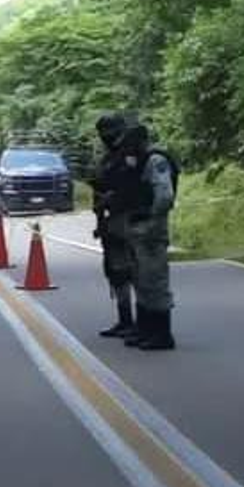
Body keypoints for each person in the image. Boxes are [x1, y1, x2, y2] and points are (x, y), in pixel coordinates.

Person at [112, 118, 179, 351]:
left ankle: (162, 334)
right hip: (137, 228)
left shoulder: (155, 160)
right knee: (141, 281)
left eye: (129, 144)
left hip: (151, 229)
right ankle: (146, 330)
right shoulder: (138, 162)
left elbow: (164, 196)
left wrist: (152, 222)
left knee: (154, 281)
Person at [91, 115, 138, 339]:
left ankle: (140, 321)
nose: (106, 137)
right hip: (111, 223)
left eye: (109, 132)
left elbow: (133, 190)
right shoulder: (108, 159)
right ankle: (125, 319)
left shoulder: (132, 157)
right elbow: (98, 190)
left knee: (133, 271)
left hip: (129, 221)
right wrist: (100, 222)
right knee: (116, 272)